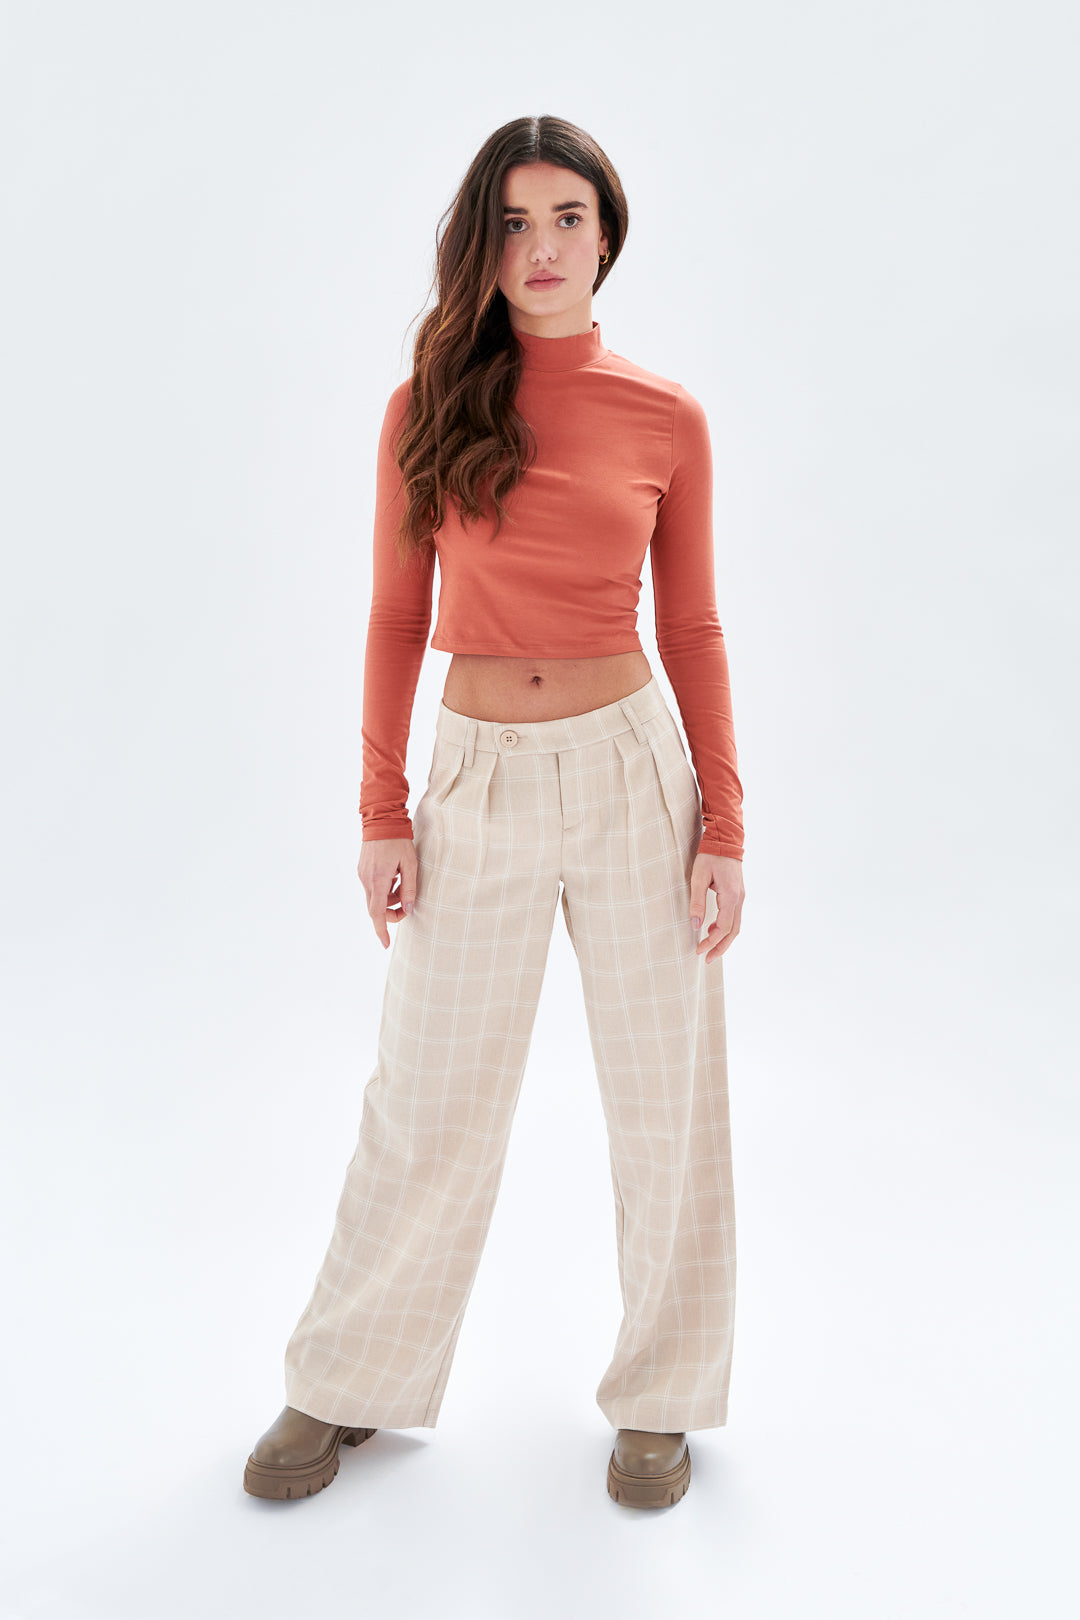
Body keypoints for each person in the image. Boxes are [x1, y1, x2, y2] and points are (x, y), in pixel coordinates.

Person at [244, 113, 745, 1511]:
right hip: (475, 776)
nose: (542, 247)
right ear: (483, 241)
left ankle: (663, 1396)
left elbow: (692, 627)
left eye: (568, 217)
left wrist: (724, 824)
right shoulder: (427, 404)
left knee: (666, 1097)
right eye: (515, 222)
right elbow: (394, 617)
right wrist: (380, 808)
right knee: (426, 1093)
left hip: (634, 771)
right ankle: (349, 1374)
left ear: (608, 233)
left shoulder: (666, 417)